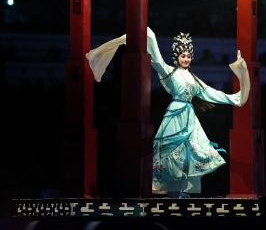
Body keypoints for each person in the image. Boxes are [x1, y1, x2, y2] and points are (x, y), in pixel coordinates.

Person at [86, 27, 250, 198]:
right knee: (170, 153)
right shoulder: (169, 72)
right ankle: (172, 192)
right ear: (177, 56)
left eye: (188, 56)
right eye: (183, 55)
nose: (186, 59)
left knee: (191, 153)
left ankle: (181, 190)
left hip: (189, 118)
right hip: (175, 116)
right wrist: (148, 35)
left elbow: (213, 93)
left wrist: (237, 92)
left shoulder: (194, 79)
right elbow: (156, 59)